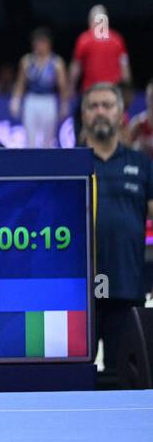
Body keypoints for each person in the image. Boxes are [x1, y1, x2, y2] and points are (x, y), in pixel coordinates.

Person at [80, 83, 153, 374]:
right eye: (93, 106)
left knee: (125, 378)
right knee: (73, 378)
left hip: (126, 287)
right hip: (79, 293)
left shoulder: (141, 164)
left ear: (121, 113)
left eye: (107, 105)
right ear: (83, 114)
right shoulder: (69, 164)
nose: (100, 112)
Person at [10, 28, 68, 149]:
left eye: (42, 42)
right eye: (36, 42)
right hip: (31, 100)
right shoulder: (27, 61)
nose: (39, 46)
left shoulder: (56, 63)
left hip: (48, 100)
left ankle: (46, 158)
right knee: (30, 136)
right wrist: (15, 100)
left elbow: (62, 86)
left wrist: (64, 104)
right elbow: (20, 83)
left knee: (48, 138)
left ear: (48, 44)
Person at [70, 5, 132, 102]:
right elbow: (125, 69)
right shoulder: (117, 40)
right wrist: (128, 90)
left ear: (91, 20)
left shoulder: (84, 40)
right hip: (112, 93)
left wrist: (70, 88)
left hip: (92, 93)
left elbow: (76, 68)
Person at [123, 79, 153, 158]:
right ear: (146, 98)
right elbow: (126, 148)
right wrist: (137, 145)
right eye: (151, 97)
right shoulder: (138, 123)